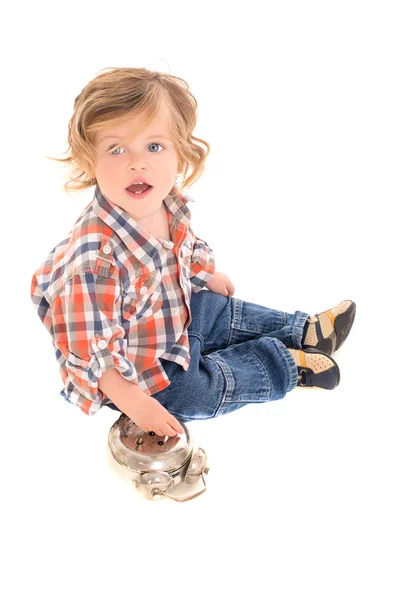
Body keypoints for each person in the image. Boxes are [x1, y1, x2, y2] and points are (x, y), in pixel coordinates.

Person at [30, 67, 356, 439]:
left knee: (218, 308)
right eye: (116, 149)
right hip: (135, 368)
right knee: (194, 392)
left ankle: (307, 330)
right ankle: (285, 365)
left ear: (180, 152)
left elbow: (182, 251)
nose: (137, 163)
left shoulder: (166, 202)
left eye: (154, 146)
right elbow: (92, 349)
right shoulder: (93, 262)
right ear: (90, 160)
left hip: (171, 315)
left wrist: (205, 274)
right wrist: (134, 402)